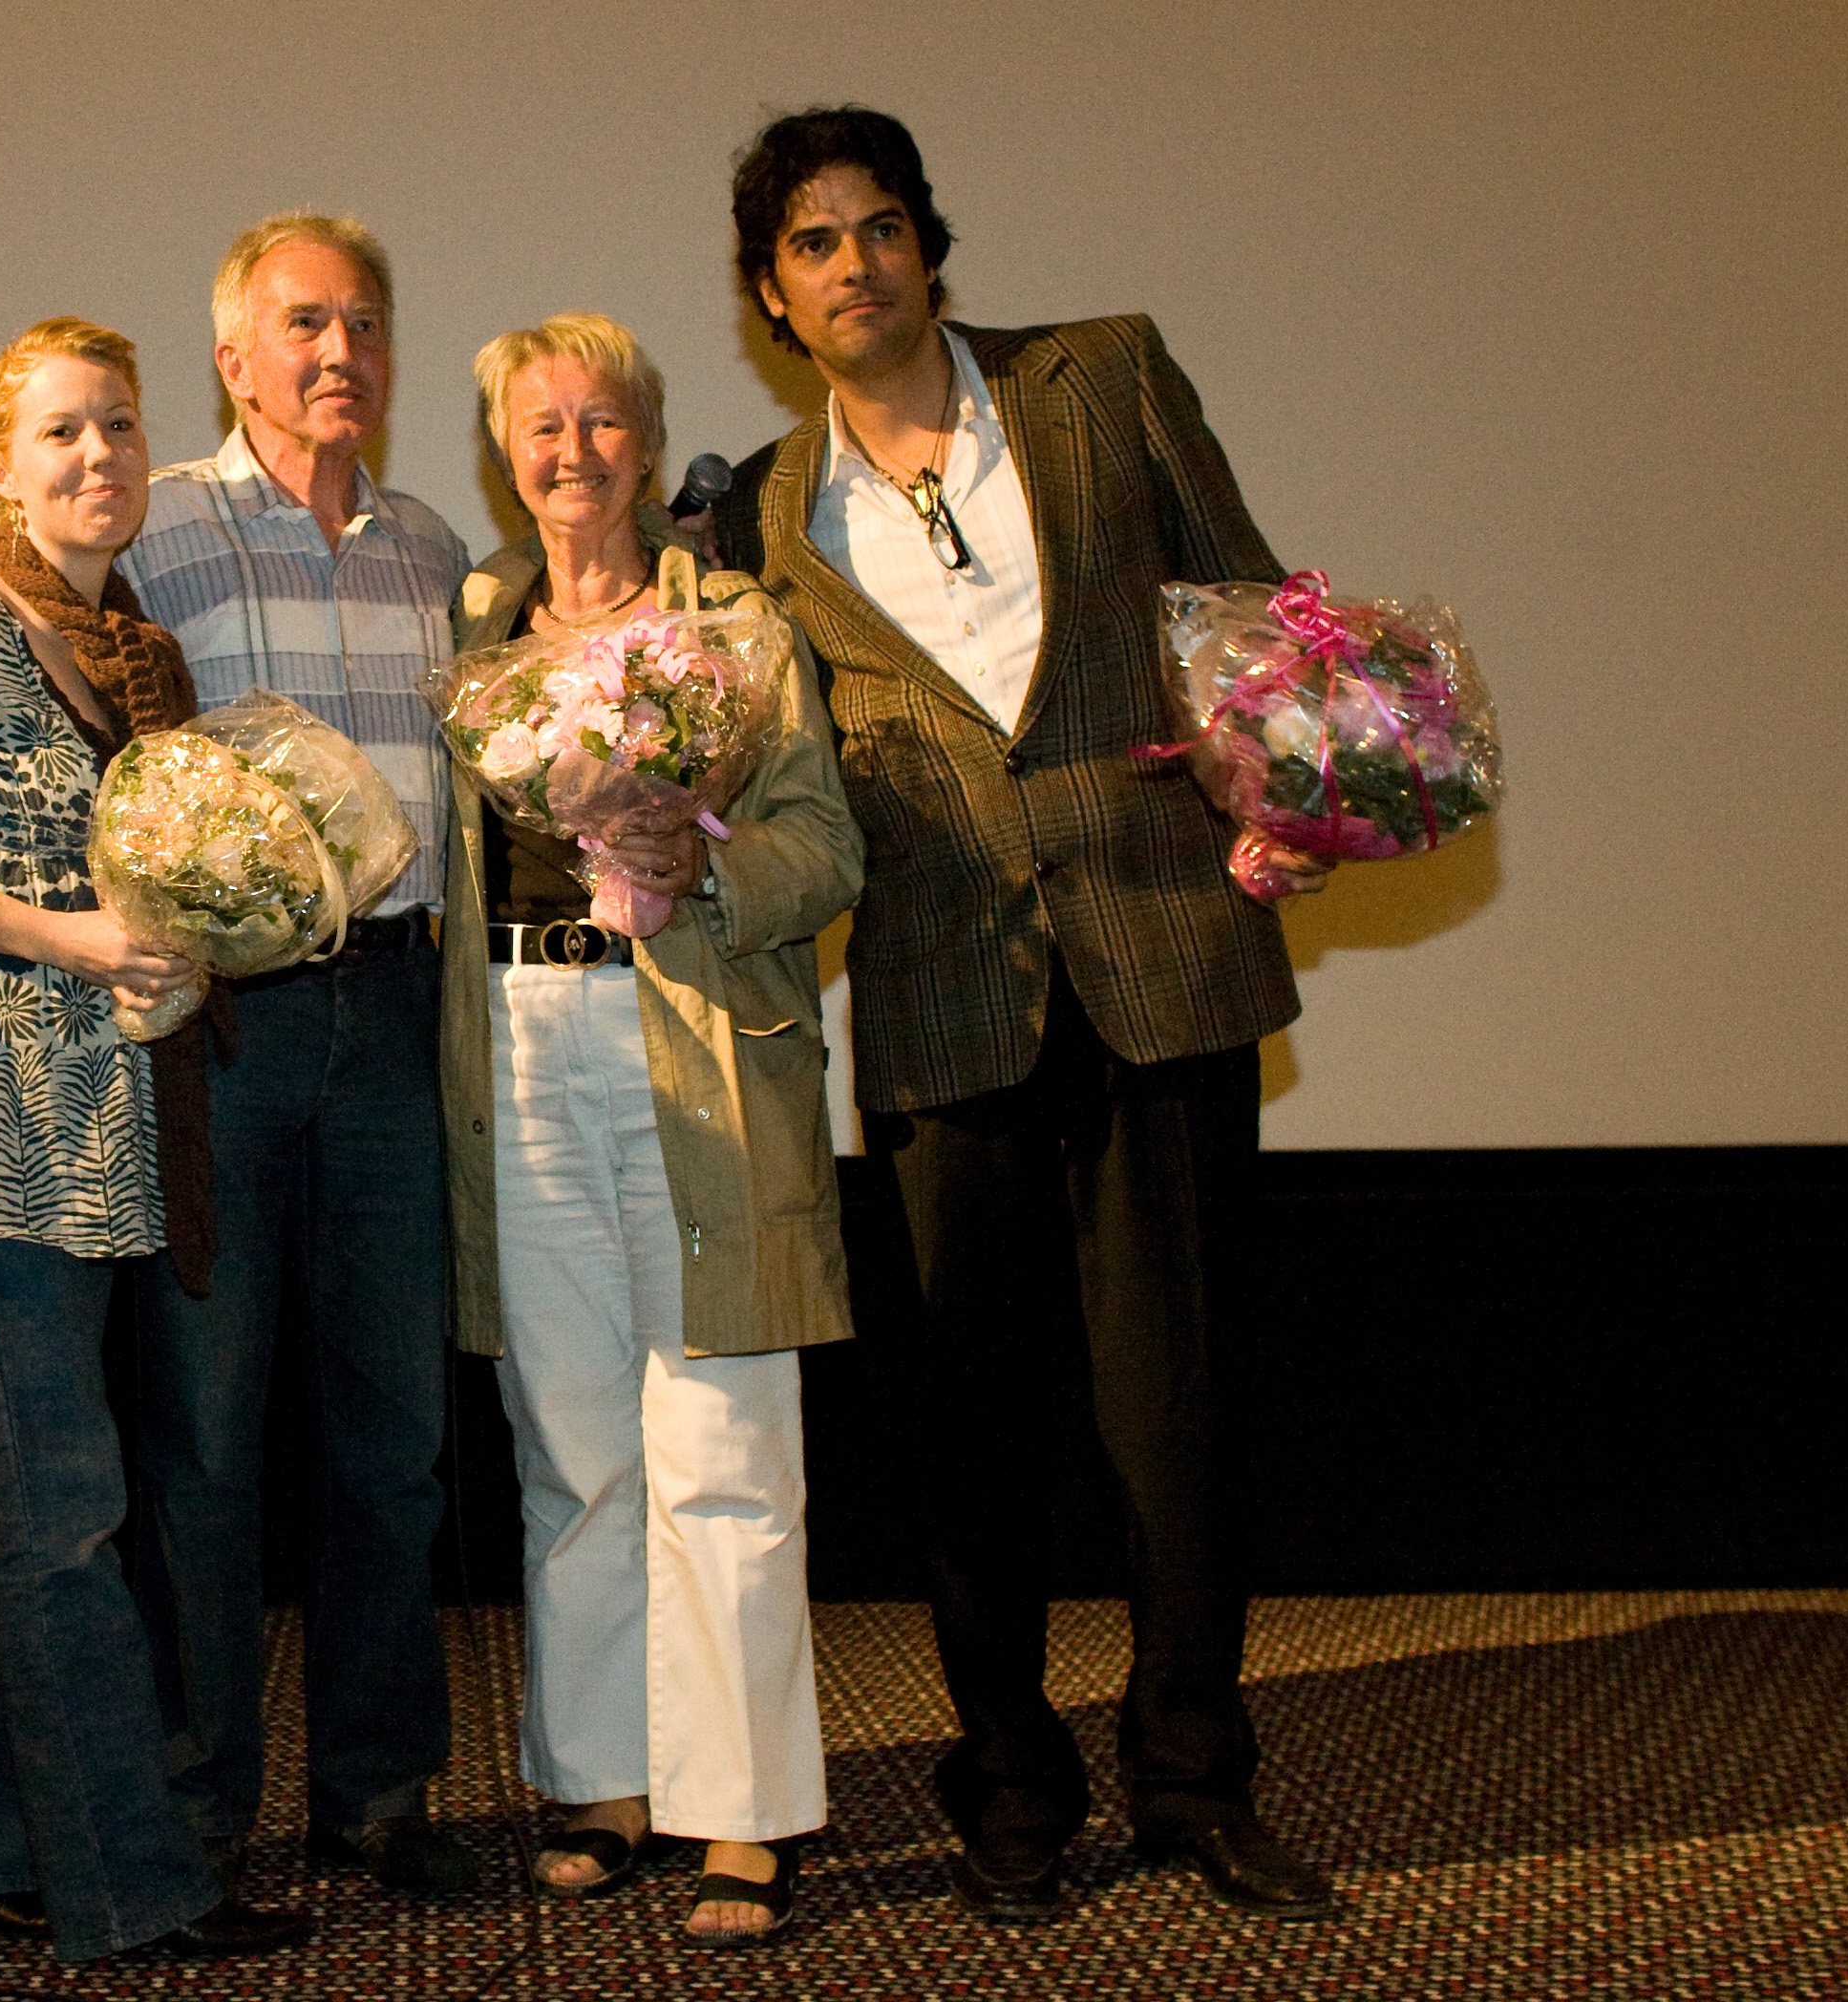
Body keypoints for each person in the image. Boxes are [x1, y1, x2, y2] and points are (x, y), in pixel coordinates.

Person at [706, 108, 1345, 1925]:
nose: (856, 264)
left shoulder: (1101, 379)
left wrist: (1288, 787)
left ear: (931, 243)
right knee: (971, 1434)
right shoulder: (763, 504)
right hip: (937, 997)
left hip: (1160, 953)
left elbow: (1250, 611)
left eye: (882, 226)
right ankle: (1008, 1788)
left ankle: (1197, 1783)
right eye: (814, 245)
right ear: (773, 295)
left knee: (1180, 1414)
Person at [0, 218, 478, 1898]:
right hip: (229, 1035)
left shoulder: (439, 557)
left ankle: (379, 1788)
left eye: (363, 322)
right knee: (199, 1444)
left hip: (400, 1016)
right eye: (299, 323)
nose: (336, 352)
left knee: (393, 1435)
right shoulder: (158, 520)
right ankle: (197, 1802)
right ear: (233, 358)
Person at [0, 317, 308, 1961]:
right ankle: (134, 1886)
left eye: (116, 428)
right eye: (59, 436)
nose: (95, 459)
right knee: (65, 1516)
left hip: (92, 1138)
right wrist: (74, 936)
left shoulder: (137, 647)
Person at [441, 314, 861, 1947]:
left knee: (724, 1448)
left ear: (648, 435)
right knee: (572, 1449)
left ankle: (744, 1812)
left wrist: (704, 873)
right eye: (538, 426)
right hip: (524, 1054)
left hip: (690, 1044)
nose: (572, 452)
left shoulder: (736, 629)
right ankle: (603, 1784)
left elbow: (823, 845)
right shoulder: (475, 630)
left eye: (603, 421)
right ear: (504, 452)